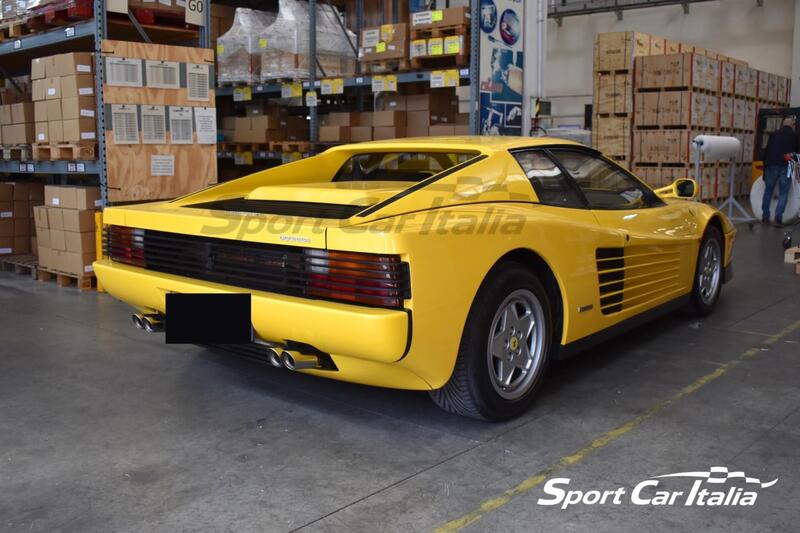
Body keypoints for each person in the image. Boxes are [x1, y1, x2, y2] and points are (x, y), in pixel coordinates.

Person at [761, 116, 797, 227]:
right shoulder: (795, 136)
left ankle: (765, 217)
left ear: (783, 124)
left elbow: (766, 152)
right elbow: (796, 154)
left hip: (771, 165)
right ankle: (778, 218)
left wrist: (764, 170)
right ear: (793, 125)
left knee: (768, 190)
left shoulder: (773, 134)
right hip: (788, 166)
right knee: (784, 192)